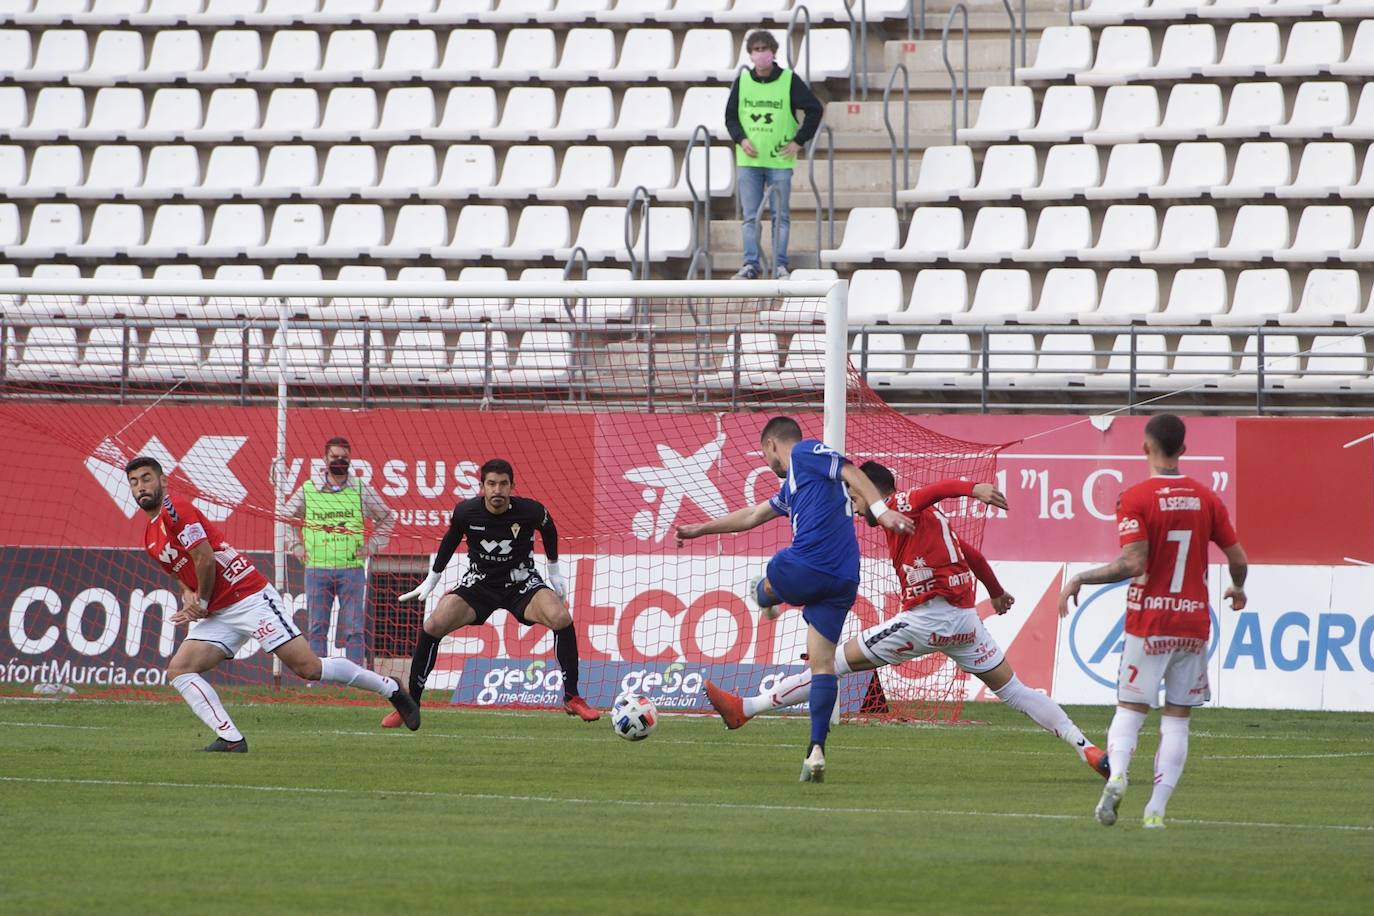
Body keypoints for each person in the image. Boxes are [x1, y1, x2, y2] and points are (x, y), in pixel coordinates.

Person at [705, 462, 1111, 781]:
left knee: (829, 663)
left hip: (926, 618)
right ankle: (1085, 746)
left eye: (856, 495)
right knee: (1016, 690)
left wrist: (974, 490)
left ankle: (746, 708)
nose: (855, 504)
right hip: (965, 624)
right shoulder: (932, 525)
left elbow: (935, 490)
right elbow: (972, 555)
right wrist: (996, 592)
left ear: (872, 489)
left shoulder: (899, 504)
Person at [126, 456, 419, 752]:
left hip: (249, 597)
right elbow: (183, 572)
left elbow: (204, 556)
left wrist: (200, 599)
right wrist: (189, 593)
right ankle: (230, 739)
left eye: (147, 478)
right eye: (135, 482)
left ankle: (390, 688)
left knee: (308, 668)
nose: (141, 487)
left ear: (163, 480)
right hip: (218, 611)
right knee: (180, 669)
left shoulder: (176, 510)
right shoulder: (150, 537)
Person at [676, 417, 911, 783]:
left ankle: (766, 595)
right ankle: (815, 752)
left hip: (811, 565)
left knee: (772, 573)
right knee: (822, 666)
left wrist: (882, 511)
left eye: (765, 453)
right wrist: (700, 529)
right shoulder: (797, 486)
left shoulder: (804, 453)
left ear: (772, 445)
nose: (768, 463)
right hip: (844, 579)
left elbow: (851, 469)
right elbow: (754, 515)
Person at [1059, 414, 1248, 829]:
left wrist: (1080, 577)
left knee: (1130, 710)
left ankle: (1120, 774)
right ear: (1184, 449)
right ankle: (1156, 811)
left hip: (1149, 622)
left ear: (1145, 447)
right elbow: (1238, 559)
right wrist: (1237, 588)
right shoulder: (1207, 498)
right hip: (1193, 624)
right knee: (1177, 720)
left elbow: (1133, 562)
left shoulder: (1135, 497)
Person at [388, 458, 601, 726]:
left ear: (512, 486)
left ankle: (572, 696)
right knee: (433, 624)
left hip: (521, 583)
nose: (497, 490)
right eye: (491, 484)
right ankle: (410, 705)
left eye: (503, 484)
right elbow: (451, 538)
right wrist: (433, 578)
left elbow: (549, 528)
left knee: (561, 617)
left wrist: (554, 570)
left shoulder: (530, 511)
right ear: (482, 486)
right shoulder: (466, 512)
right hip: (480, 584)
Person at [284, 436, 396, 666]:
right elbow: (284, 517)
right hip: (317, 568)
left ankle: (356, 677)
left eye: (344, 458)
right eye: (335, 457)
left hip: (351, 569)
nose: (340, 461)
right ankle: (317, 678)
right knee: (317, 628)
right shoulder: (309, 489)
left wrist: (372, 546)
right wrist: (296, 546)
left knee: (354, 629)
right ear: (325, 459)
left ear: (350, 459)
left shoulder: (360, 490)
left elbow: (387, 517)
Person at [724, 29, 824, 281]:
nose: (761, 54)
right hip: (749, 160)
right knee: (750, 216)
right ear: (750, 54)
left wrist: (799, 141)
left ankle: (779, 265)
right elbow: (731, 117)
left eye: (764, 49)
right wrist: (741, 138)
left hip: (779, 160)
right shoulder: (743, 81)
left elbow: (814, 109)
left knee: (780, 215)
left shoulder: (789, 80)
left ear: (773, 52)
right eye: (756, 50)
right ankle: (750, 264)